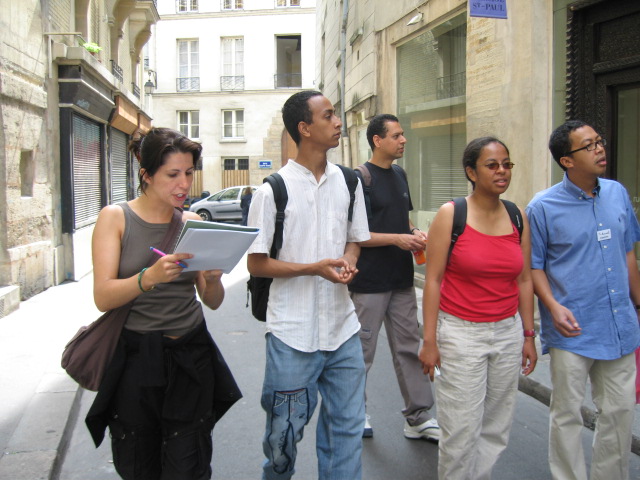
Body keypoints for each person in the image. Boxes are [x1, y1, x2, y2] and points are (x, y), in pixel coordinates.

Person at [85, 127, 241, 480]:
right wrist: (148, 278)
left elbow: (212, 302)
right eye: (172, 175)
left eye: (188, 173)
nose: (183, 184)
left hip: (190, 355)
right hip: (137, 359)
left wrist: (214, 280)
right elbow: (102, 296)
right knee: (139, 462)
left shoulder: (194, 222)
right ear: (146, 175)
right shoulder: (116, 218)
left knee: (189, 463)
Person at [247, 90, 370, 480]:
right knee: (283, 439)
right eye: (329, 116)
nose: (338, 122)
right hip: (292, 336)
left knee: (346, 432)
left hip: (343, 330)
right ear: (304, 128)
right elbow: (257, 262)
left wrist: (349, 261)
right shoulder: (272, 191)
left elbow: (355, 238)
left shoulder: (350, 182)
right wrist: (313, 268)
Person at [526, 120, 640, 480]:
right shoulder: (542, 207)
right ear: (567, 160)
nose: (600, 149)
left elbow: (628, 255)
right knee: (567, 413)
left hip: (619, 325)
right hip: (572, 327)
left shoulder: (618, 193)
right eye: (588, 145)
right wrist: (553, 308)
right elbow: (533, 267)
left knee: (620, 412)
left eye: (599, 141)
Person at [419, 137, 537, 480]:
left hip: (507, 332)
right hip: (460, 334)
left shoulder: (517, 215)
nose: (502, 171)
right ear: (471, 171)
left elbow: (525, 280)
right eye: (492, 165)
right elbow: (433, 280)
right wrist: (429, 340)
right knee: (460, 432)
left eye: (506, 164)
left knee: (495, 429)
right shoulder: (451, 214)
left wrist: (529, 335)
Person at [348, 114, 439, 441]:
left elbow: (404, 220)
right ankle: (355, 412)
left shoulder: (399, 174)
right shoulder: (359, 178)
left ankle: (418, 416)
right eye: (397, 135)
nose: (403, 140)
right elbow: (355, 235)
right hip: (369, 281)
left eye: (403, 135)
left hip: (401, 278)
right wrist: (397, 239)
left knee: (409, 348)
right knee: (361, 352)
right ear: (377, 140)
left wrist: (414, 232)